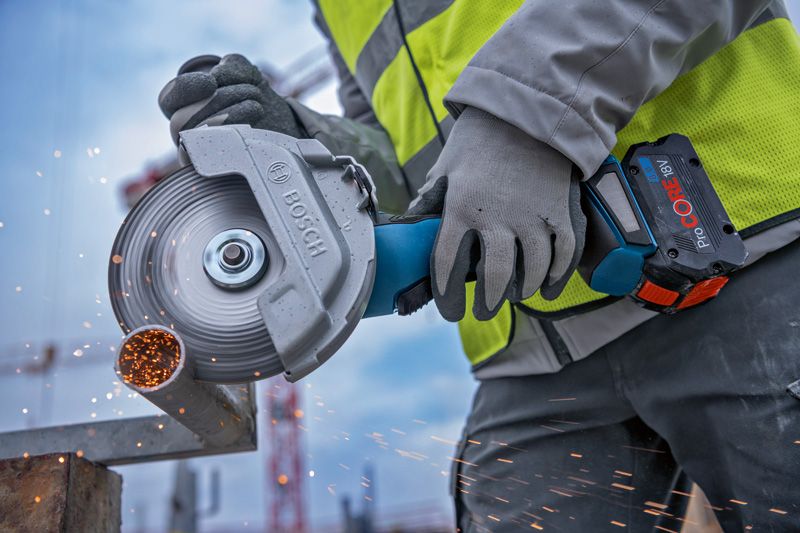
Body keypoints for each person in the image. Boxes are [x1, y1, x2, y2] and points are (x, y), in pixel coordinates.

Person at [158, 1, 800, 530]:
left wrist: (525, 120)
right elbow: (419, 167)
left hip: (744, 261)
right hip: (530, 353)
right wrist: (303, 150)